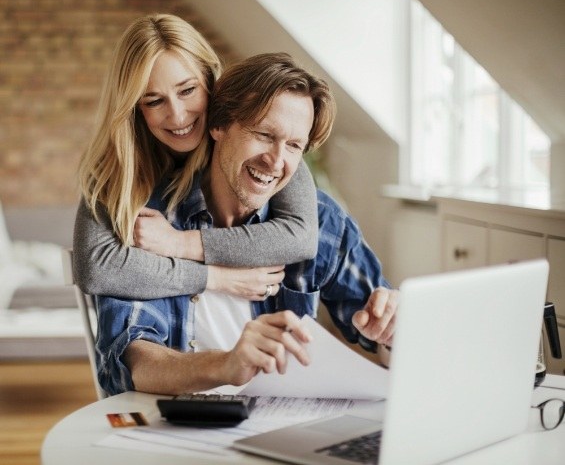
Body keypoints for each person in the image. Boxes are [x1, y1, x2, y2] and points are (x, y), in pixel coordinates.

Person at [96, 52, 397, 396]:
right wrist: (226, 364)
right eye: (264, 135)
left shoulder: (321, 220)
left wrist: (392, 332)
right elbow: (135, 362)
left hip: (284, 426)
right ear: (218, 125)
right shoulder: (151, 223)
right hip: (180, 426)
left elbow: (381, 333)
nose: (276, 161)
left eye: (294, 145)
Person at [73, 14, 325, 302]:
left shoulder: (252, 138)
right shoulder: (116, 165)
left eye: (188, 90)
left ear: (209, 80)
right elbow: (97, 268)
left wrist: (180, 244)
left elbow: (300, 237)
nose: (178, 116)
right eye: (154, 101)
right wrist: (217, 278)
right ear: (134, 108)